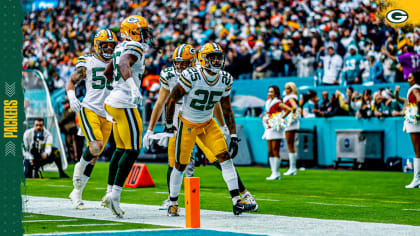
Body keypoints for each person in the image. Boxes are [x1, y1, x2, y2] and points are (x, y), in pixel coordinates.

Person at [143, 43, 257, 211]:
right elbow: (165, 102)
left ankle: (239, 198)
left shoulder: (220, 77)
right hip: (184, 123)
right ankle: (172, 201)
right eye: (178, 63)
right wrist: (158, 128)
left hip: (207, 121)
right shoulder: (183, 75)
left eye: (184, 63)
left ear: (194, 61)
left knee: (223, 158)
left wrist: (229, 131)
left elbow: (220, 105)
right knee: (177, 164)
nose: (180, 66)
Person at [102, 15, 153, 218]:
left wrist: (115, 90)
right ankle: (115, 195)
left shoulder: (118, 47)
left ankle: (108, 192)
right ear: (132, 31)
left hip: (113, 102)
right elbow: (123, 64)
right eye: (143, 30)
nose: (146, 35)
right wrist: (132, 89)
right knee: (132, 150)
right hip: (124, 103)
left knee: (121, 149)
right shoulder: (134, 47)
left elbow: (108, 73)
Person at [66, 29, 117, 210]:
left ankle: (77, 193)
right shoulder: (87, 61)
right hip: (90, 109)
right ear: (97, 45)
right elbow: (71, 81)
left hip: (109, 114)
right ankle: (78, 169)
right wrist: (72, 97)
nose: (109, 49)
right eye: (106, 45)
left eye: (112, 45)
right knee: (95, 146)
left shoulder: (118, 61)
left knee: (94, 156)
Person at [262, 86, 290, 180]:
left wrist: (280, 118)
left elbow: (288, 109)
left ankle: (276, 172)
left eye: (272, 92)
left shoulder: (278, 102)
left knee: (275, 150)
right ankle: (273, 172)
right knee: (270, 151)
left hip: (276, 128)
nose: (270, 93)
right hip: (269, 127)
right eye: (269, 91)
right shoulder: (268, 102)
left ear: (276, 93)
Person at [404, 70, 420, 188]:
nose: (408, 80)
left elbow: (419, 100)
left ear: (414, 79)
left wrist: (418, 112)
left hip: (415, 122)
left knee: (417, 152)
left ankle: (416, 179)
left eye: (410, 78)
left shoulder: (415, 88)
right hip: (415, 121)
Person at [283, 82, 299, 176]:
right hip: (290, 122)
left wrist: (286, 116)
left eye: (288, 88)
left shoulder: (291, 97)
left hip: (290, 123)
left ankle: (292, 168)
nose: (286, 90)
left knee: (290, 144)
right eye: (286, 88)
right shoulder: (289, 97)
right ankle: (292, 168)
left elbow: (294, 107)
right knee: (290, 144)